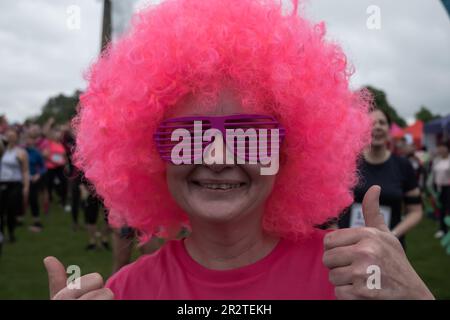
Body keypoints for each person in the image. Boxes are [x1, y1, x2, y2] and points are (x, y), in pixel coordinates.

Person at [44, 0, 434, 300]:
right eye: (188, 136)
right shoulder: (127, 291)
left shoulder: (352, 275)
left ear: (289, 151)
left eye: (249, 135)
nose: (216, 158)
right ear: (150, 153)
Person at [338, 109, 423, 248]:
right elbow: (332, 207)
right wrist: (337, 231)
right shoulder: (348, 163)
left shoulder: (403, 165)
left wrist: (392, 235)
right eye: (372, 123)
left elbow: (416, 211)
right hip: (349, 246)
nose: (377, 126)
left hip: (388, 248)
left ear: (389, 131)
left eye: (382, 123)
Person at [0, 128, 29, 243]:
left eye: (13, 136)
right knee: (1, 211)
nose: (11, 138)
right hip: (2, 182)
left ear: (16, 137)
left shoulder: (21, 152)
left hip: (15, 183)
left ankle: (11, 233)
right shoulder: (2, 150)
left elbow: (25, 170)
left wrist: (26, 186)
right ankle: (2, 233)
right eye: (9, 136)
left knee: (11, 209)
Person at [25, 130, 47, 232]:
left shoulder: (36, 153)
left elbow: (43, 167)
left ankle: (37, 221)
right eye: (27, 139)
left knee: (33, 199)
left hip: (32, 179)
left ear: (34, 141)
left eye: (31, 139)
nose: (29, 141)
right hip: (20, 179)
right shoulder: (21, 151)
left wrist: (38, 175)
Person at [431, 141, 450, 238]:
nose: (441, 149)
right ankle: (443, 229)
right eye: (439, 147)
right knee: (441, 209)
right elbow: (433, 175)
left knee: (447, 208)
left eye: (443, 147)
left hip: (448, 188)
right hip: (438, 188)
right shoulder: (437, 160)